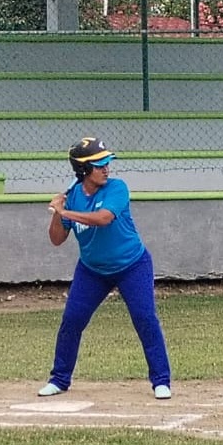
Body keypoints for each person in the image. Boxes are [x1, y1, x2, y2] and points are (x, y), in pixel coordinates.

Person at [40, 137, 172, 400]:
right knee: (72, 320)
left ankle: (161, 380)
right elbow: (56, 239)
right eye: (98, 165)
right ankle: (59, 379)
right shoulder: (73, 197)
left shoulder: (117, 188)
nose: (106, 168)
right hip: (92, 270)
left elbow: (104, 219)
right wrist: (58, 212)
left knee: (145, 318)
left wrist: (66, 213)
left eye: (106, 163)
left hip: (132, 265)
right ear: (83, 171)